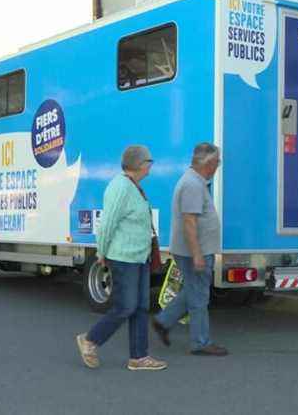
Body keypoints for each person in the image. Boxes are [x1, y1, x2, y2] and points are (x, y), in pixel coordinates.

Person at [76, 145, 168, 371]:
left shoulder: (134, 187)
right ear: (138, 165)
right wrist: (101, 252)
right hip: (124, 257)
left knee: (140, 307)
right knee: (125, 307)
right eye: (149, 162)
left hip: (139, 257)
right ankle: (90, 340)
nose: (150, 167)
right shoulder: (120, 187)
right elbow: (107, 223)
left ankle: (139, 357)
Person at [152, 143, 228, 356]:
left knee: (194, 291)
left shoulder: (196, 181)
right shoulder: (193, 185)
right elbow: (189, 222)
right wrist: (197, 254)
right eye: (218, 161)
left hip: (196, 250)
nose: (218, 165)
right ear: (209, 163)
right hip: (195, 251)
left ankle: (163, 321)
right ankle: (200, 342)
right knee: (199, 297)